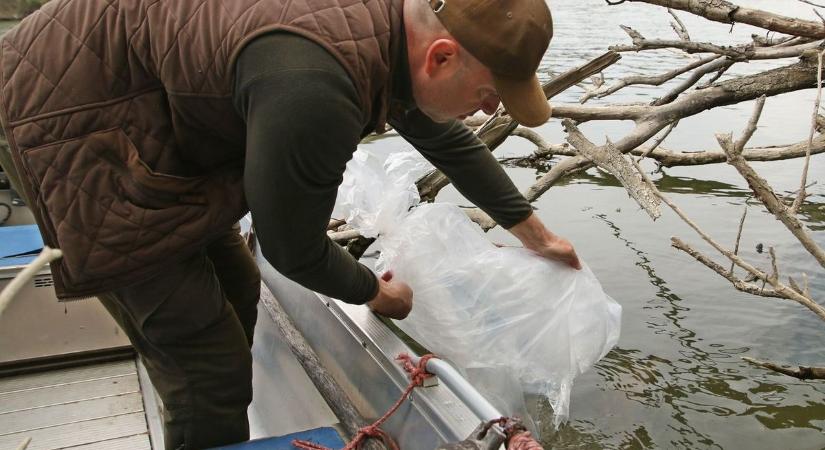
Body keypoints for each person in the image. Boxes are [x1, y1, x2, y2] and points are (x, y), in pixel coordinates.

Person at [0, 0, 580, 448]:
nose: (487, 111)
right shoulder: (316, 85)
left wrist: (535, 234)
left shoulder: (391, 28)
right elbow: (291, 249)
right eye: (487, 95)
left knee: (238, 289)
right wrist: (375, 292)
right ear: (442, 56)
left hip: (144, 110)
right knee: (209, 368)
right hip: (68, 128)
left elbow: (442, 137)